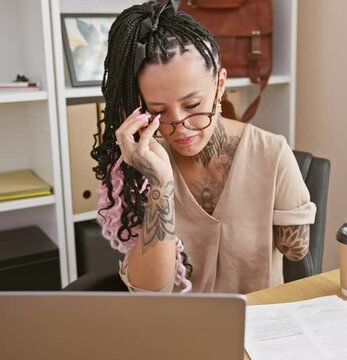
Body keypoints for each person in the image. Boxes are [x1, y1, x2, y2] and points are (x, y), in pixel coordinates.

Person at [91, 0, 316, 293]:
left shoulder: (271, 153)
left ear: (220, 84)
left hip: (255, 328)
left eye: (193, 104)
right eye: (159, 110)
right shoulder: (141, 163)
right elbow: (150, 292)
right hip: (179, 329)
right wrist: (161, 184)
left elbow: (296, 252)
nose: (180, 125)